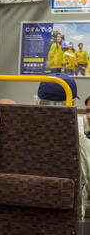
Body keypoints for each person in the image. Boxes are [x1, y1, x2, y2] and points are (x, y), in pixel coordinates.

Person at [36, 74, 90, 219]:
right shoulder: (82, 144)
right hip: (69, 230)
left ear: (37, 102)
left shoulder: (21, 139)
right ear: (72, 103)